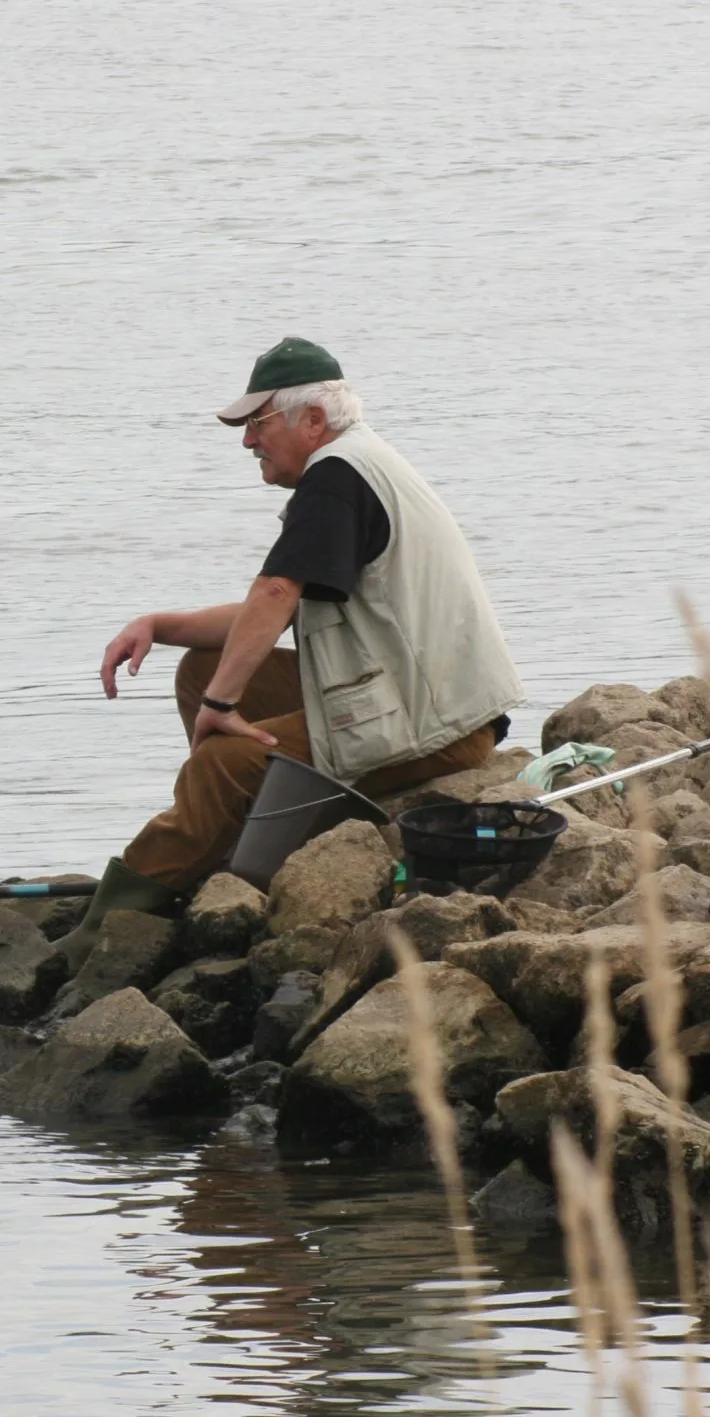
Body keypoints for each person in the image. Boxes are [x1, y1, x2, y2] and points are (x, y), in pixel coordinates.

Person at [57, 337, 524, 965]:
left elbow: (275, 591)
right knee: (203, 671)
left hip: (436, 722)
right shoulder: (357, 466)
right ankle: (224, 848)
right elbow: (277, 606)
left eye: (258, 422)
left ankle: (113, 920)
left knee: (223, 756)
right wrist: (159, 624)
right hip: (424, 695)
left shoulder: (337, 477)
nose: (248, 441)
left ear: (313, 419)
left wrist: (222, 706)